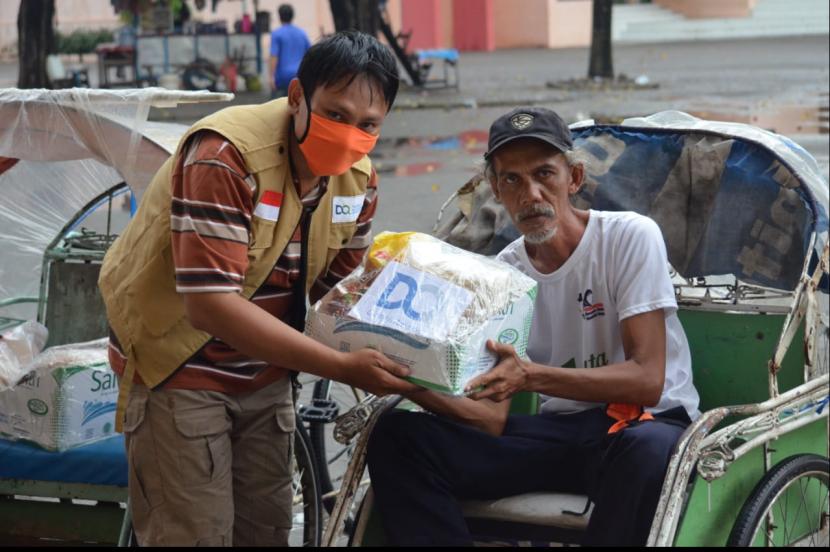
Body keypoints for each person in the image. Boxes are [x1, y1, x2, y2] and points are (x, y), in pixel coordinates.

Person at [98, 31, 418, 546]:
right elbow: (211, 307)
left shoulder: (359, 181)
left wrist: (417, 332)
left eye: (368, 125)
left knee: (266, 530)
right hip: (177, 366)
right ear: (297, 99)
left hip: (266, 374)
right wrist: (339, 366)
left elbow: (344, 295)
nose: (349, 135)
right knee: (195, 533)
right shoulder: (225, 156)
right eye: (334, 114)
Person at [366, 107, 701, 546]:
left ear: (574, 178)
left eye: (545, 174)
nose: (531, 193)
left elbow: (647, 380)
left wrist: (531, 375)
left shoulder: (628, 238)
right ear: (496, 191)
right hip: (563, 434)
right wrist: (407, 381)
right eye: (512, 180)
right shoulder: (501, 276)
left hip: (644, 425)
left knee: (647, 454)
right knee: (397, 438)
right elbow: (489, 420)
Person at [269, 4, 311, 99]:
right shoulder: (302, 33)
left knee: (279, 105)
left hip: (282, 77)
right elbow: (310, 53)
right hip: (300, 75)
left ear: (279, 16)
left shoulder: (276, 34)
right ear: (293, 16)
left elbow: (274, 56)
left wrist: (271, 76)